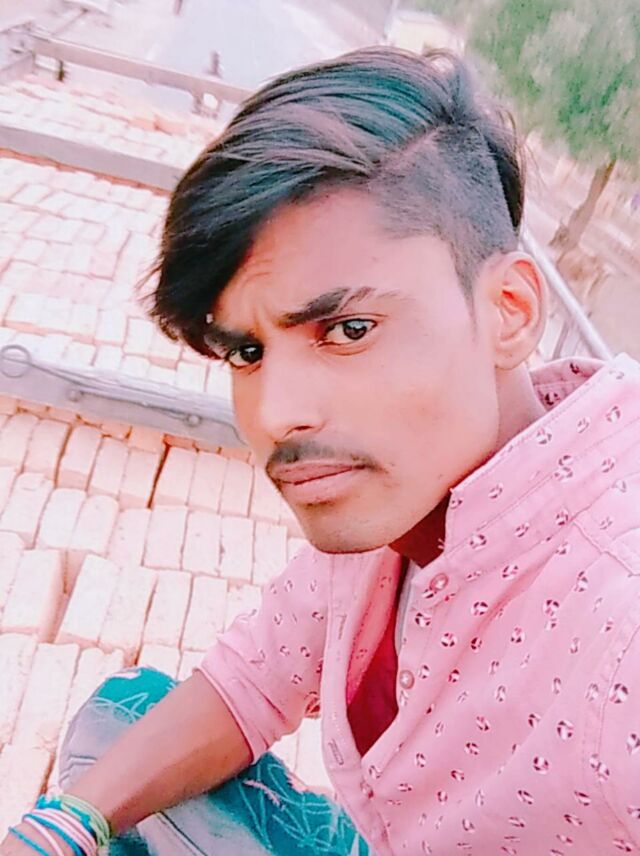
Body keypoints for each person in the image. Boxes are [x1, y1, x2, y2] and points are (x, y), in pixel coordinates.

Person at [3, 46, 640, 856]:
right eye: (246, 352)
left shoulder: (618, 631)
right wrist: (62, 827)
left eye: (348, 330)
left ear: (509, 310)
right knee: (124, 719)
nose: (278, 414)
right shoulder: (402, 490)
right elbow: (250, 677)